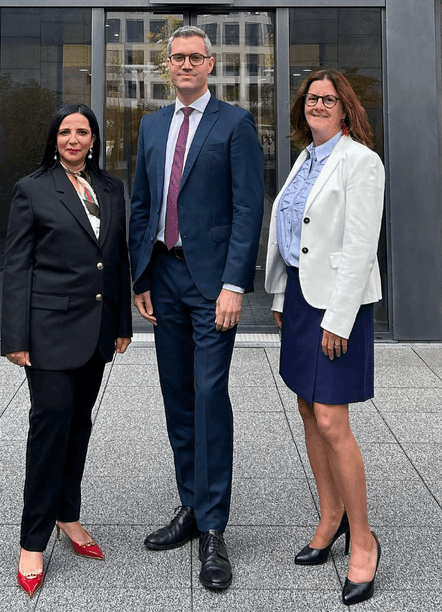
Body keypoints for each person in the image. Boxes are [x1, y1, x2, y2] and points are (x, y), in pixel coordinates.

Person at [129, 25, 263, 591]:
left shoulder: (234, 124)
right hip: (164, 276)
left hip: (212, 286)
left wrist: (234, 284)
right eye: (176, 58)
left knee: (210, 396)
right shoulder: (152, 125)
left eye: (194, 57)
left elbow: (247, 208)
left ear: (211, 65)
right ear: (168, 67)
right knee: (178, 394)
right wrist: (139, 277)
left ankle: (213, 528)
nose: (185, 65)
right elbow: (142, 203)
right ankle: (189, 506)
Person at [1, 103, 132, 598]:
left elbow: (115, 262)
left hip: (96, 332)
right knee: (50, 426)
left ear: (94, 139)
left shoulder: (112, 190)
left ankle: (67, 516)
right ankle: (33, 540)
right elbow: (17, 266)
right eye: (65, 132)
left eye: (82, 131)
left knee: (79, 426)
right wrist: (15, 338)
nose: (73, 139)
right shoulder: (32, 189)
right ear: (54, 139)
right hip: (48, 332)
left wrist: (122, 324)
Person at [264, 69, 384, 606]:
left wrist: (338, 316)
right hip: (300, 299)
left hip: (339, 306)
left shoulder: (360, 161)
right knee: (308, 410)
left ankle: (363, 541)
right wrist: (278, 298)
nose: (317, 105)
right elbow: (295, 236)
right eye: (311, 98)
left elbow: (360, 245)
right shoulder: (305, 158)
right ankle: (329, 517)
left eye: (327, 99)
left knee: (334, 419)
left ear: (344, 108)